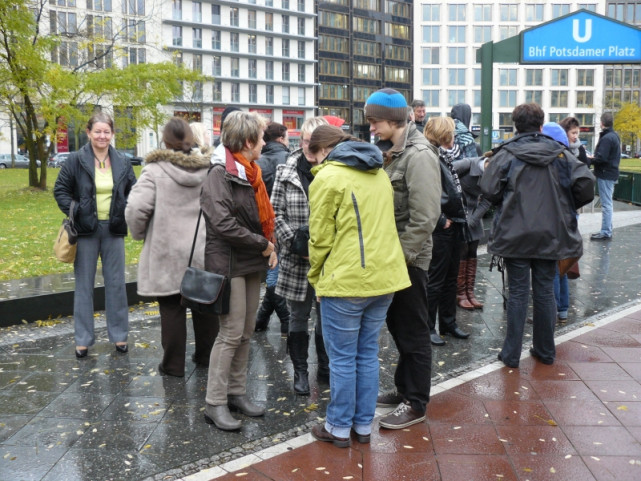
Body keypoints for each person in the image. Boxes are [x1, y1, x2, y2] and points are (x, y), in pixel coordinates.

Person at [306, 126, 411, 448]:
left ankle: (338, 427)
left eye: (314, 155)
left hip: (346, 279)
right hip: (385, 277)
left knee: (341, 359)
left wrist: (316, 277)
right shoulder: (379, 173)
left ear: (324, 150)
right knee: (366, 354)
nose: (314, 162)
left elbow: (320, 237)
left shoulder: (328, 177)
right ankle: (363, 424)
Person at [480, 103, 594, 368]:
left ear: (515, 126)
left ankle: (511, 354)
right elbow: (586, 184)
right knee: (544, 291)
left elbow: (488, 188)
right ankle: (545, 350)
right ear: (541, 126)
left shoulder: (506, 154)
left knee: (518, 293)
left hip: (515, 234)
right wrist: (565, 204)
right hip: (550, 234)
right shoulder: (561, 154)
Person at [365, 89, 441, 429]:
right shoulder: (395, 152)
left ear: (394, 120)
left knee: (413, 331)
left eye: (375, 121)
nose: (371, 128)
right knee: (399, 328)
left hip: (408, 260)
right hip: (396, 258)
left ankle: (416, 402)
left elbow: (425, 217)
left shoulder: (419, 155)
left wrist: (400, 258)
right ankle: (404, 388)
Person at [201, 111, 277, 431]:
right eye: (260, 138)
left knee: (246, 332)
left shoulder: (250, 172)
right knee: (230, 334)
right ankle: (214, 402)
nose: (264, 143)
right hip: (229, 262)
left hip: (250, 260)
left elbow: (259, 218)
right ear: (247, 142)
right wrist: (263, 244)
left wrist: (267, 245)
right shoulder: (220, 173)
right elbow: (223, 224)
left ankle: (236, 393)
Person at [125, 117, 218, 377]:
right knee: (205, 305)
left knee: (171, 309)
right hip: (200, 248)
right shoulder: (208, 168)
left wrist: (140, 234)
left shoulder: (154, 170)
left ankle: (173, 365)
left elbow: (135, 209)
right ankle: (207, 357)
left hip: (166, 252)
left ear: (165, 141)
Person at [54, 112, 137, 358]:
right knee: (84, 286)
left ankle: (119, 336)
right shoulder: (76, 160)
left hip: (114, 229)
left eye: (106, 132)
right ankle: (83, 340)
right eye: (97, 131)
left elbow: (134, 190)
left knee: (116, 284)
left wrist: (126, 209)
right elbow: (60, 190)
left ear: (112, 134)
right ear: (88, 132)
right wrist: (77, 211)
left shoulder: (122, 161)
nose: (102, 136)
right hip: (85, 230)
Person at [271, 116, 330, 395]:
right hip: (296, 260)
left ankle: (326, 367)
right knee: (298, 315)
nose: (309, 148)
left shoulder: (334, 170)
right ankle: (300, 371)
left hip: (328, 259)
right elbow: (275, 213)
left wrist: (322, 248)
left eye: (314, 143)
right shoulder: (286, 170)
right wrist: (296, 243)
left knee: (326, 315)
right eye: (306, 141)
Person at [424, 117, 471, 346]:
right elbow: (426, 192)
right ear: (443, 134)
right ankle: (428, 327)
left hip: (454, 222)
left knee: (450, 277)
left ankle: (448, 323)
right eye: (451, 132)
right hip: (444, 225)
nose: (454, 136)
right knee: (436, 279)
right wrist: (441, 219)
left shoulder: (440, 154)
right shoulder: (431, 156)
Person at [254, 122, 291, 334]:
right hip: (284, 221)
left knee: (273, 269)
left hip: (264, 222)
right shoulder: (288, 158)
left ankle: (261, 319)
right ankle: (286, 319)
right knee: (274, 274)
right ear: (281, 138)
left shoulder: (259, 161)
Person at [452, 103, 486, 311]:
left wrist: (474, 217)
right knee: (463, 249)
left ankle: (469, 292)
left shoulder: (473, 147)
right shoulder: (455, 146)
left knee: (472, 248)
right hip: (460, 205)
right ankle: (460, 293)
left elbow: (489, 194)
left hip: (474, 205)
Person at [589, 112, 621, 240]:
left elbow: (602, 158)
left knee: (606, 204)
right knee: (608, 203)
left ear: (602, 123)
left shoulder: (607, 138)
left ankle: (606, 232)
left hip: (605, 173)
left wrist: (591, 159)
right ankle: (607, 229)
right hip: (611, 173)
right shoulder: (614, 136)